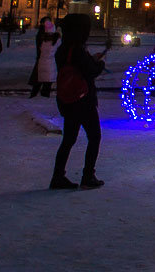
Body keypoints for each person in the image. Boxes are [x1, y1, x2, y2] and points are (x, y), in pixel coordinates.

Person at [51, 13, 106, 190]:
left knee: (68, 139)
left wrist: (91, 60)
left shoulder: (63, 49)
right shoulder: (78, 50)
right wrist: (99, 65)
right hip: (83, 101)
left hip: (67, 100)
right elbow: (89, 71)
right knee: (94, 137)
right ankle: (88, 175)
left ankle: (58, 176)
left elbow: (78, 67)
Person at [29, 17, 61, 98]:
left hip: (41, 62)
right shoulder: (56, 40)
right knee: (47, 84)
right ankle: (44, 97)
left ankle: (33, 95)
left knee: (39, 81)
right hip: (50, 64)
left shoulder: (43, 39)